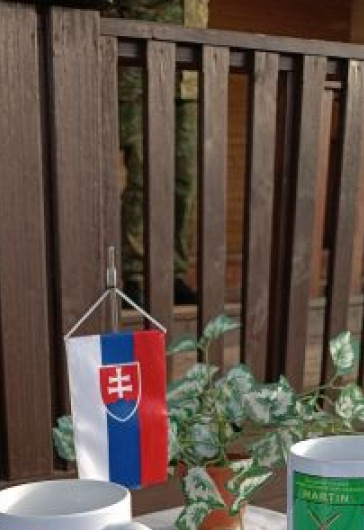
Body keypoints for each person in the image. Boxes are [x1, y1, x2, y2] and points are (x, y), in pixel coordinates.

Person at [116, 0, 209, 308]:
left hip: (188, 82)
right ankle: (134, 278)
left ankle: (174, 275)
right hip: (141, 73)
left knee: (186, 183)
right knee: (143, 179)